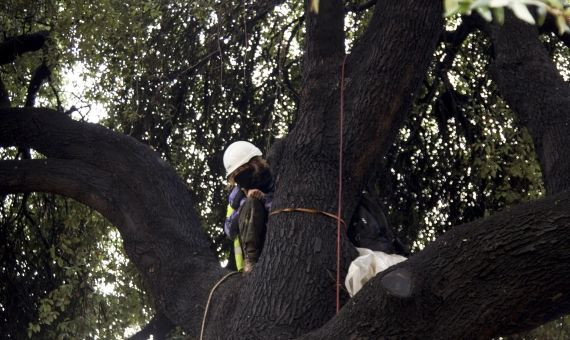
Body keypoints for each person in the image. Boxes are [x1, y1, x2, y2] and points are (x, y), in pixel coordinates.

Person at [223, 141, 274, 273]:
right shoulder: (236, 197)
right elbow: (229, 230)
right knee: (251, 203)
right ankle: (251, 261)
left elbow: (282, 209)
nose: (240, 173)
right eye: (237, 172)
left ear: (254, 163)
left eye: (243, 168)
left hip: (271, 239)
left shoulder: (272, 181)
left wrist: (263, 198)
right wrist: (245, 203)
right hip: (250, 255)